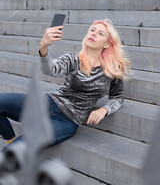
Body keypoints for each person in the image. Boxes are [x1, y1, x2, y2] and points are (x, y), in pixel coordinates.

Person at [0, 19, 130, 148]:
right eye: (92, 30)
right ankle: (10, 139)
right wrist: (43, 47)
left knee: (13, 152)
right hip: (48, 103)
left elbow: (117, 98)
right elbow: (50, 69)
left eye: (100, 33)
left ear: (107, 44)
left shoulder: (113, 69)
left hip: (67, 120)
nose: (94, 34)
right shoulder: (73, 59)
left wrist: (104, 109)